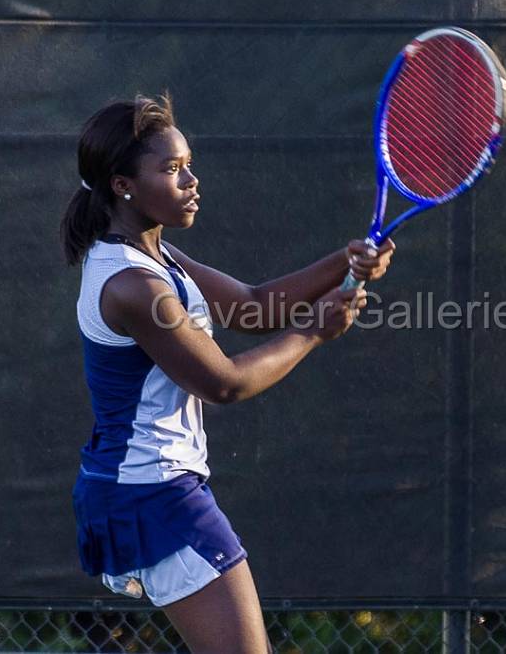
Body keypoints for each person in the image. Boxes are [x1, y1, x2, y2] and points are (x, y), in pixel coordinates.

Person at [60, 92, 395, 654]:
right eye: (171, 169)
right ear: (123, 185)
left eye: (189, 164)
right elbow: (224, 383)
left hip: (147, 488)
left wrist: (346, 259)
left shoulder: (158, 258)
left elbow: (253, 305)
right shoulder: (132, 286)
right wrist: (315, 331)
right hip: (150, 494)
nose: (191, 180)